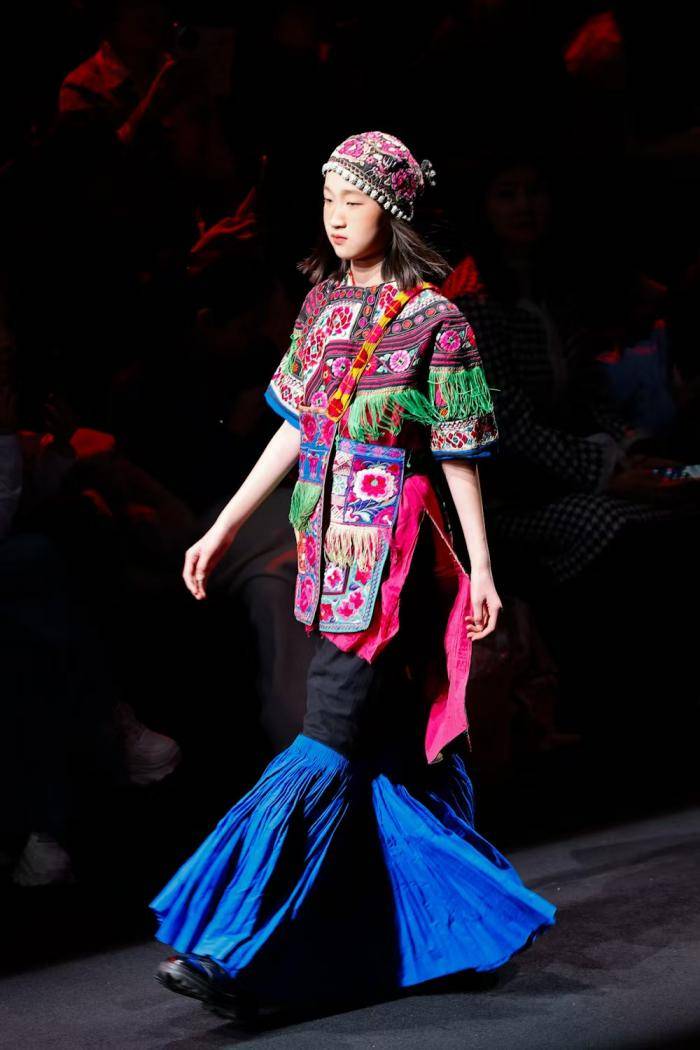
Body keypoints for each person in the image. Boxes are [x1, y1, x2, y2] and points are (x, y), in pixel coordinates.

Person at [148, 131, 557, 1023]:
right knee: (383, 753)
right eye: (328, 198)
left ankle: (233, 944)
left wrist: (483, 566)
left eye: (354, 200)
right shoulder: (321, 307)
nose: (336, 217)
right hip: (328, 545)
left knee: (327, 732)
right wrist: (224, 525)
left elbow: (458, 451)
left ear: (394, 211)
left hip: (393, 552)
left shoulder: (437, 320)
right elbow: (295, 426)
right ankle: (452, 929)